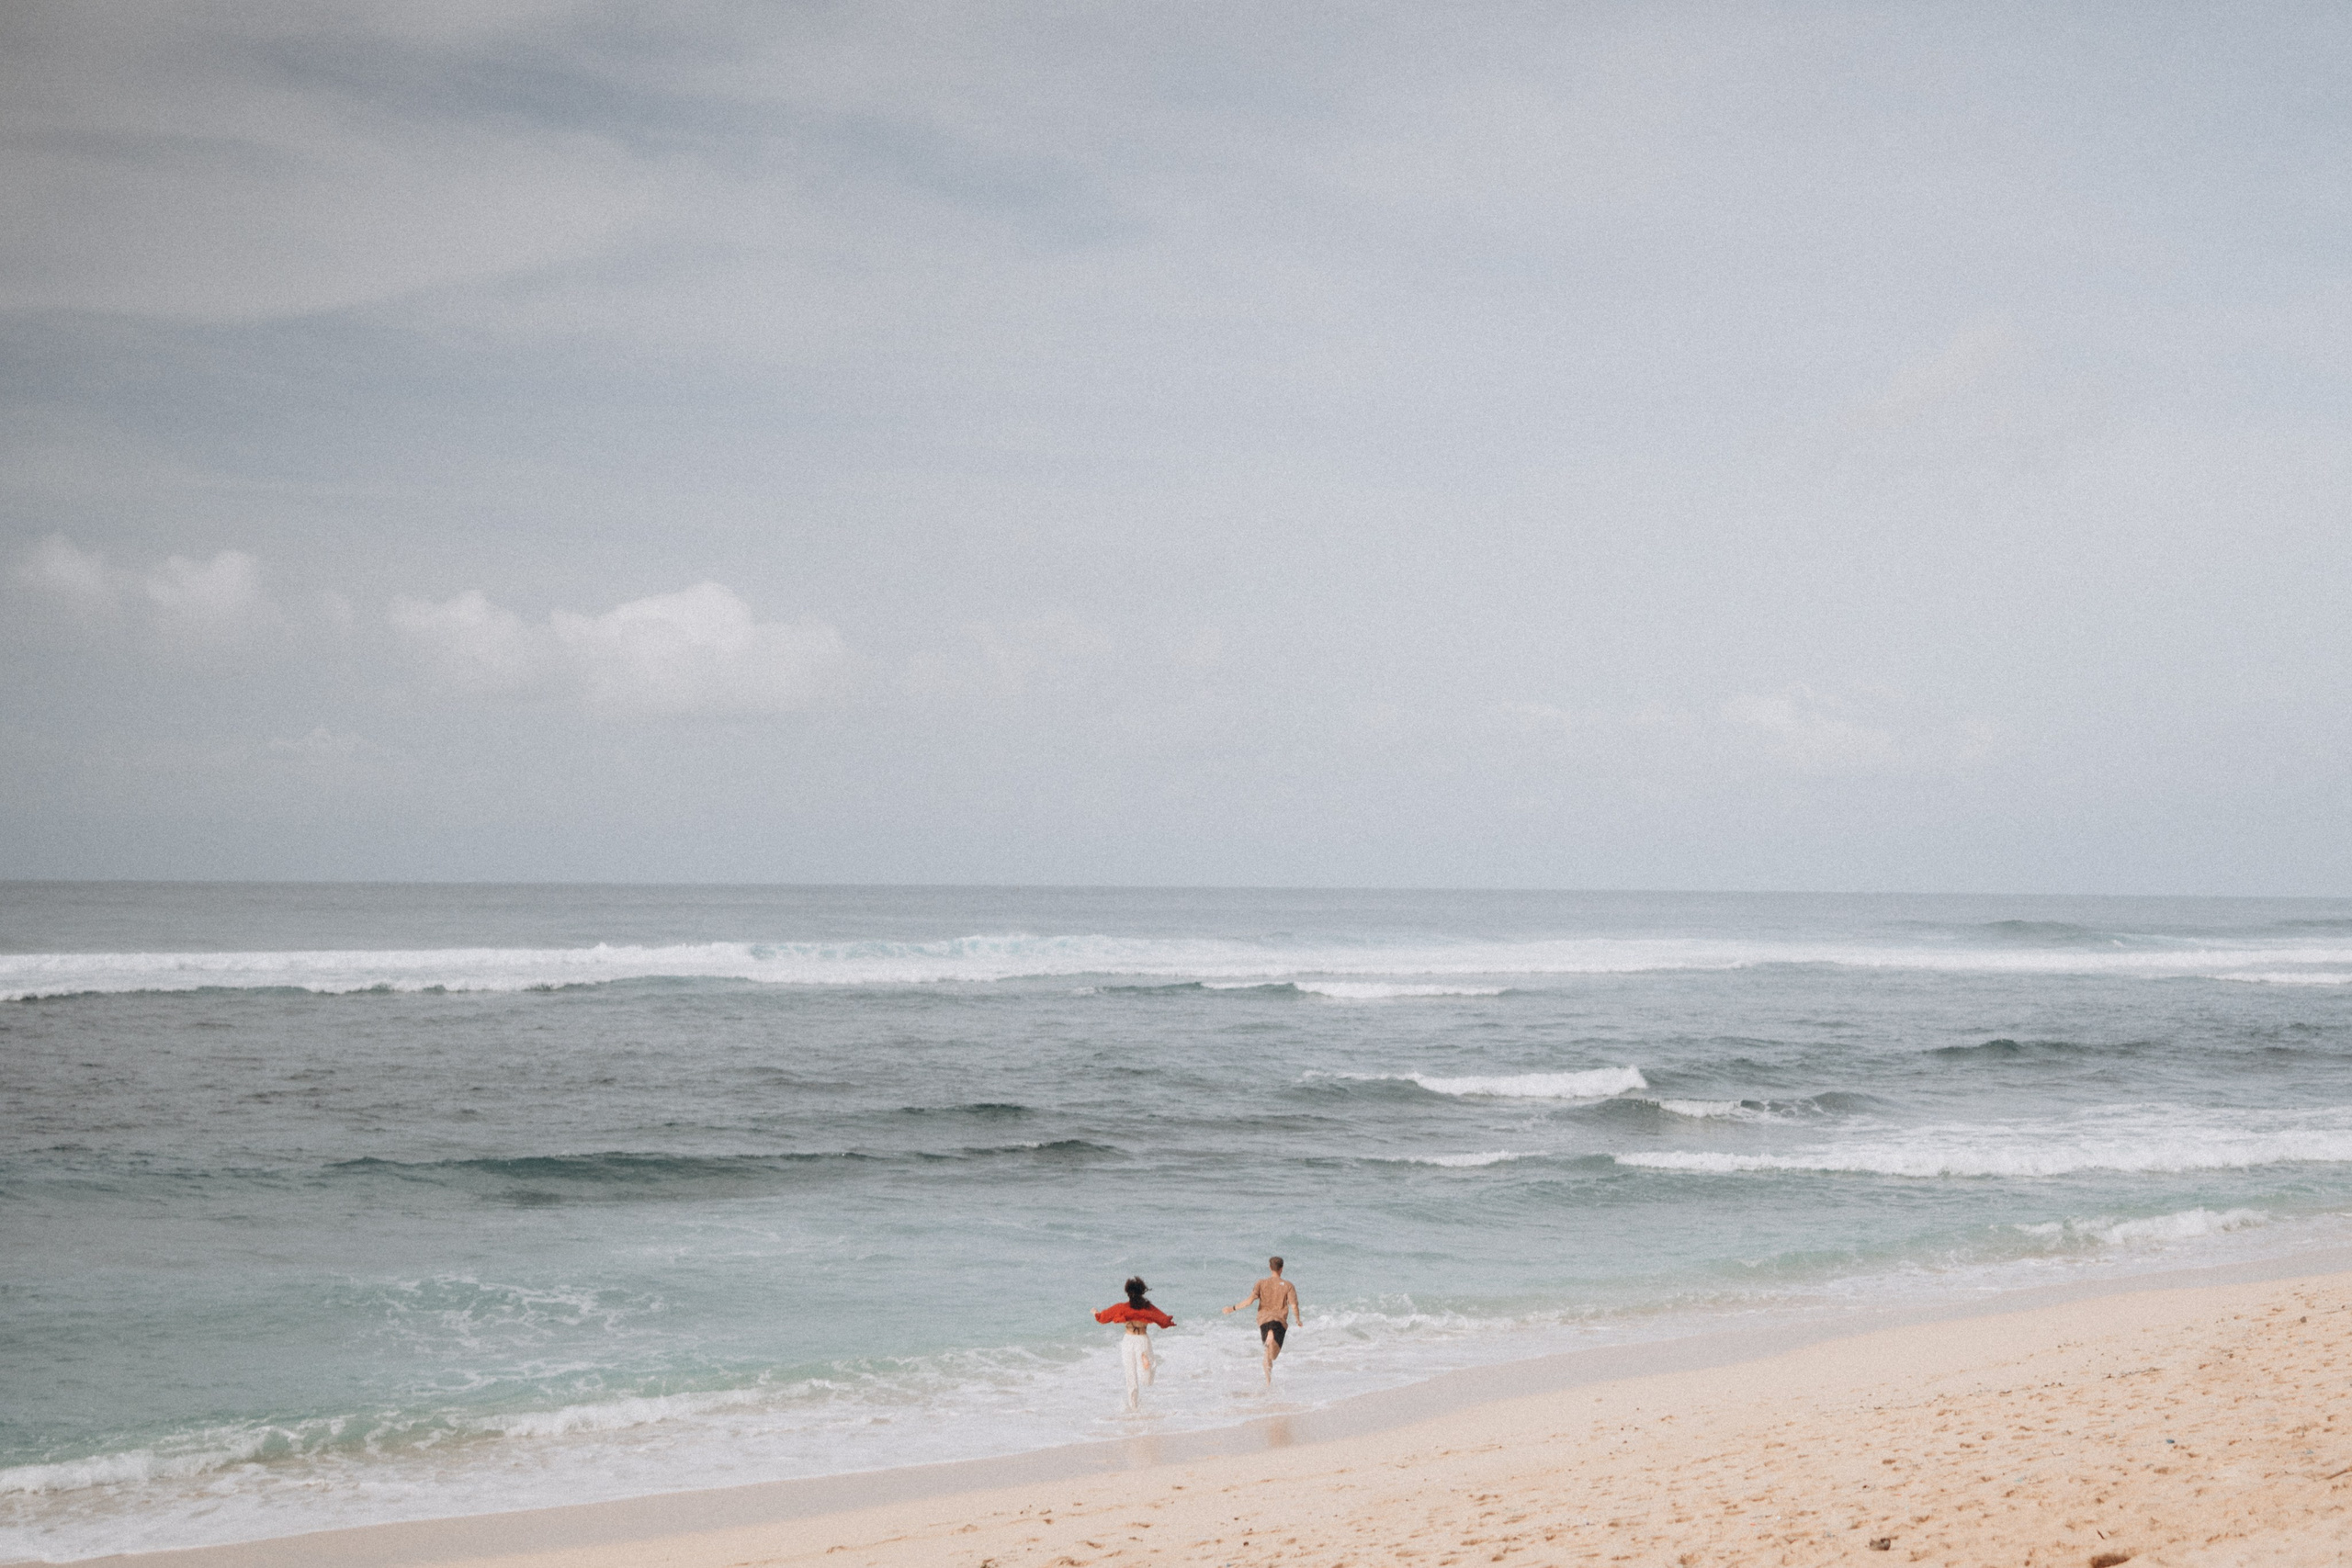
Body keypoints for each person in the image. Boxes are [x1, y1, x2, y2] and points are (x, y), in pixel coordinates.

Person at [1093, 1275, 1174, 1407]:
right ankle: (1145, 1363)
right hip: (1142, 1339)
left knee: (1130, 1376)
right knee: (1148, 1376)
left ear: (1128, 1293)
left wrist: (1096, 1313)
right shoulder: (1148, 1307)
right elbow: (1163, 1320)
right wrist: (1168, 1322)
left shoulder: (1122, 1307)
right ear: (1142, 1291)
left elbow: (1103, 1318)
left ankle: (1133, 1407)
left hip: (1128, 1340)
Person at [1223, 1255, 1300, 1384]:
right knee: (1273, 1355)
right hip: (1279, 1321)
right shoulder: (1288, 1286)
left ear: (1270, 1268)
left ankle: (1268, 1382)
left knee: (1267, 1352)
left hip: (1264, 1320)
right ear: (1282, 1269)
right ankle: (1271, 1335)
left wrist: (1232, 1308)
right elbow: (1294, 1305)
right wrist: (1298, 1320)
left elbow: (1249, 1301)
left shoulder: (1261, 1283)